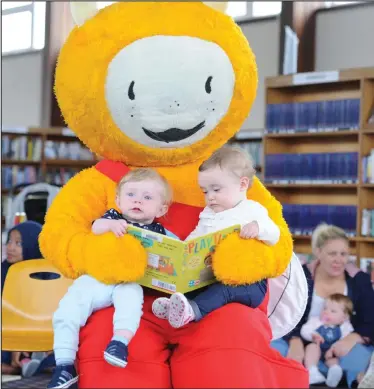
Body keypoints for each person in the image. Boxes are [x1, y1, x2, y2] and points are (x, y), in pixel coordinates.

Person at [47, 168, 177, 389]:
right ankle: (64, 364)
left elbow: (176, 251)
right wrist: (110, 226)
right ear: (118, 199)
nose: (137, 201)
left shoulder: (160, 232)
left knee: (131, 302)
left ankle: (119, 343)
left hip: (129, 282)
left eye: (147, 197)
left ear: (161, 207)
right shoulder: (114, 217)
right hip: (98, 279)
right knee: (68, 309)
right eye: (130, 195)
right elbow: (95, 227)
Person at [152, 146, 279, 328]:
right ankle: (175, 305)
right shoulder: (209, 213)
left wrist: (257, 227)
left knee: (223, 291)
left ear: (242, 185)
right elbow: (198, 234)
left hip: (248, 283)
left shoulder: (252, 209)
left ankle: (193, 311)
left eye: (216, 190)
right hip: (212, 275)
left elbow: (274, 234)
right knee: (193, 284)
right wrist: (185, 250)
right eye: (205, 192)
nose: (210, 197)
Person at [271, 224, 374, 388]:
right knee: (274, 352)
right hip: (302, 338)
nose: (338, 260)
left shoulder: (359, 280)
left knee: (358, 362)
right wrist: (295, 340)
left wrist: (351, 339)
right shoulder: (301, 275)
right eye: (332, 253)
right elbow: (282, 313)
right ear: (318, 252)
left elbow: (370, 320)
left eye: (344, 254)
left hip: (342, 343)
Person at [1, 221, 46, 378]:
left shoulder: (45, 276)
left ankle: (23, 364)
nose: (10, 247)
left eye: (19, 243)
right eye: (9, 241)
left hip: (31, 332)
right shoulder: (4, 272)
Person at [301, 293, 354, 387]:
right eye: (325, 308)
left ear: (344, 318)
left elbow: (346, 339)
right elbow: (304, 330)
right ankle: (312, 372)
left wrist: (333, 349)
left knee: (335, 360)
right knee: (311, 347)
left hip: (331, 353)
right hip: (317, 349)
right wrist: (314, 335)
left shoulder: (345, 326)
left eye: (333, 311)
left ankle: (334, 373)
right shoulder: (316, 321)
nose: (326, 312)